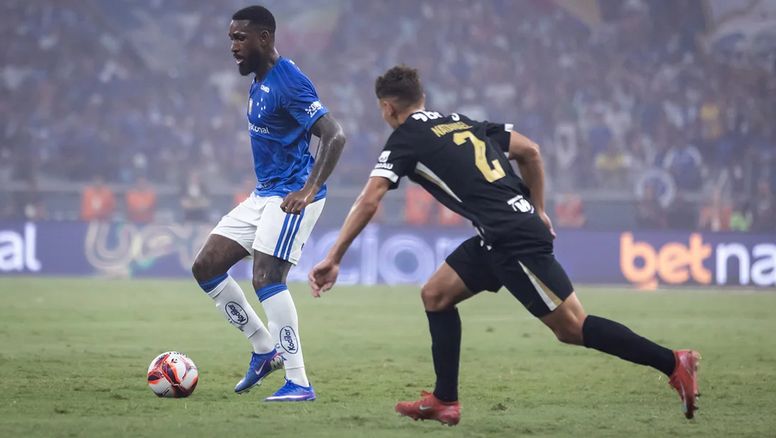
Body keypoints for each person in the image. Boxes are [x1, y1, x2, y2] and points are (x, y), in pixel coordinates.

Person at [309, 66, 699, 425]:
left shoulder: (405, 139)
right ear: (421, 98)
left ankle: (672, 362)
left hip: (510, 238)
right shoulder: (460, 121)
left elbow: (370, 199)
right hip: (500, 233)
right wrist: (539, 209)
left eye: (382, 110)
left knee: (572, 328)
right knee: (436, 294)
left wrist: (333, 257)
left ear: (388, 107)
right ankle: (445, 399)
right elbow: (530, 151)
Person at [191, 5, 346, 402]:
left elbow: (334, 135)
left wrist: (308, 190)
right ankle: (264, 348)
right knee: (206, 266)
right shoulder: (258, 81)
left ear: (265, 37)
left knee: (266, 278)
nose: (233, 46)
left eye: (240, 38)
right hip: (264, 194)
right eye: (230, 38)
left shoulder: (288, 81)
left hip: (293, 195)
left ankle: (299, 382)